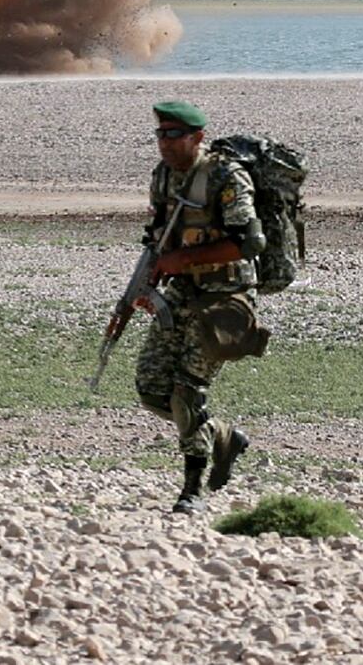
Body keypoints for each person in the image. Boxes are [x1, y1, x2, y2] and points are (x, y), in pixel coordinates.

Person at [135, 98, 268, 514]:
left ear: (198, 137)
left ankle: (192, 489)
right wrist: (147, 281)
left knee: (187, 391)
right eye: (160, 134)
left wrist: (184, 259)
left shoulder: (226, 176)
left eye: (174, 134)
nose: (165, 142)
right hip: (182, 290)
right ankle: (223, 435)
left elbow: (247, 242)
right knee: (152, 388)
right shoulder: (163, 176)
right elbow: (159, 233)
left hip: (224, 295)